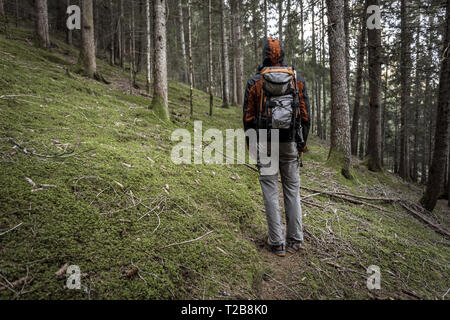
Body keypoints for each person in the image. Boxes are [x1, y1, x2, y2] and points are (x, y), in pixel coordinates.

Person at [243, 38, 311, 257]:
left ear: (264, 55)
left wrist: (251, 145)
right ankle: (295, 240)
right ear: (282, 55)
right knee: (292, 190)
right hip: (290, 141)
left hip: (265, 142)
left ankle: (276, 242)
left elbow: (248, 118)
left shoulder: (255, 82)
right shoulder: (297, 80)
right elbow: (306, 116)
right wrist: (301, 144)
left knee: (270, 191)